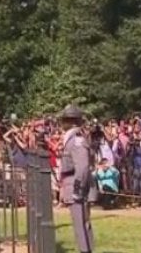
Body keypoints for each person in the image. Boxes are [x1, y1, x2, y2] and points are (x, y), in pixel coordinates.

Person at [59, 105, 94, 253]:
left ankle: (85, 250)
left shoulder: (76, 140)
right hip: (73, 183)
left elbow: (83, 166)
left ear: (70, 121)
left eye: (64, 120)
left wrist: (77, 190)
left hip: (76, 184)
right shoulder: (72, 138)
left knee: (80, 224)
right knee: (81, 223)